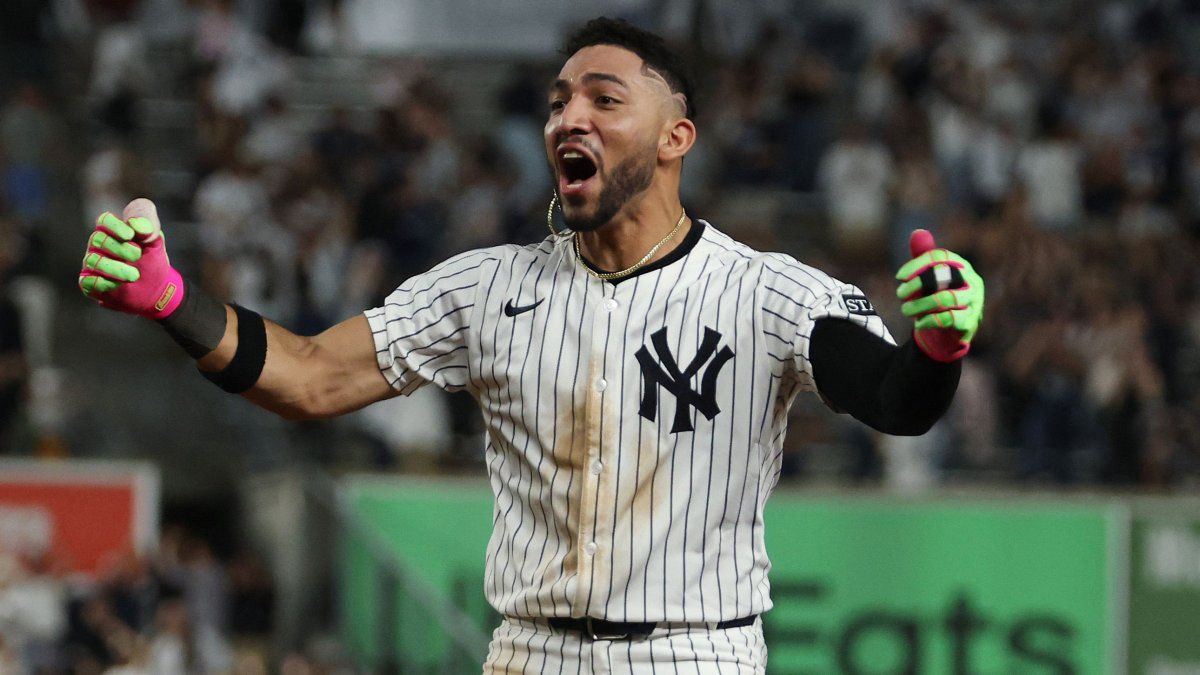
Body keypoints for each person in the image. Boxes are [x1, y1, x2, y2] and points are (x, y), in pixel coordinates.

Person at [76, 18, 985, 673]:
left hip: (695, 651)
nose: (568, 118)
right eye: (558, 102)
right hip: (527, 651)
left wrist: (939, 348)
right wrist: (172, 299)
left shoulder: (765, 291)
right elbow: (309, 377)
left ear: (677, 137)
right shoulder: (487, 287)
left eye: (603, 97)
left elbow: (896, 401)